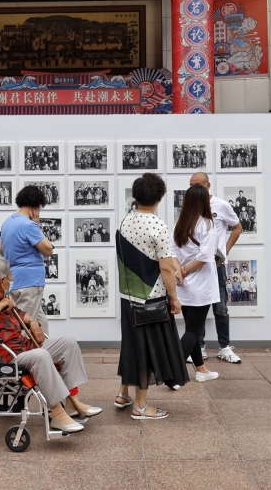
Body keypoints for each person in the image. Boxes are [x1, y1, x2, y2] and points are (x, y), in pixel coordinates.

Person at [0, 257, 101, 433]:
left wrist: (33, 322)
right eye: (8, 275)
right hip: (3, 356)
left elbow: (22, 316)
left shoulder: (3, 296)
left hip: (23, 347)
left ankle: (72, 402)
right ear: (1, 281)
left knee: (69, 344)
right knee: (42, 356)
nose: (11, 278)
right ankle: (57, 415)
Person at [115, 173, 188, 420]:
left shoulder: (125, 222)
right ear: (159, 198)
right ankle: (141, 406)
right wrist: (174, 298)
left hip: (129, 297)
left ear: (136, 196)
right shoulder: (158, 225)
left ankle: (123, 393)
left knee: (131, 344)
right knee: (147, 349)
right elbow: (167, 268)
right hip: (152, 299)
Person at [189, 172, 243, 364]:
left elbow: (237, 227)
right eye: (191, 184)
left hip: (216, 264)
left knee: (220, 308)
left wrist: (225, 250)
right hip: (197, 263)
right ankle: (199, 347)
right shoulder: (190, 206)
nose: (194, 188)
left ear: (208, 186)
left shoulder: (221, 205)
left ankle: (224, 347)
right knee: (198, 305)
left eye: (198, 185)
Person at [172, 184, 220, 383]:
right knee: (193, 330)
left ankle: (201, 370)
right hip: (200, 283)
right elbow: (205, 257)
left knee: (192, 328)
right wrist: (185, 270)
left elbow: (172, 253)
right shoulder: (207, 224)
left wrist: (179, 271)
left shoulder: (180, 224)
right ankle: (173, 371)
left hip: (184, 285)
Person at [0, 185, 54, 333]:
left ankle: (46, 353)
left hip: (15, 281)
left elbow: (0, 250)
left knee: (41, 322)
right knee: (24, 327)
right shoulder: (29, 225)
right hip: (30, 282)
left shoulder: (7, 222)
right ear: (36, 207)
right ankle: (25, 356)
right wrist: (37, 225)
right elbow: (48, 249)